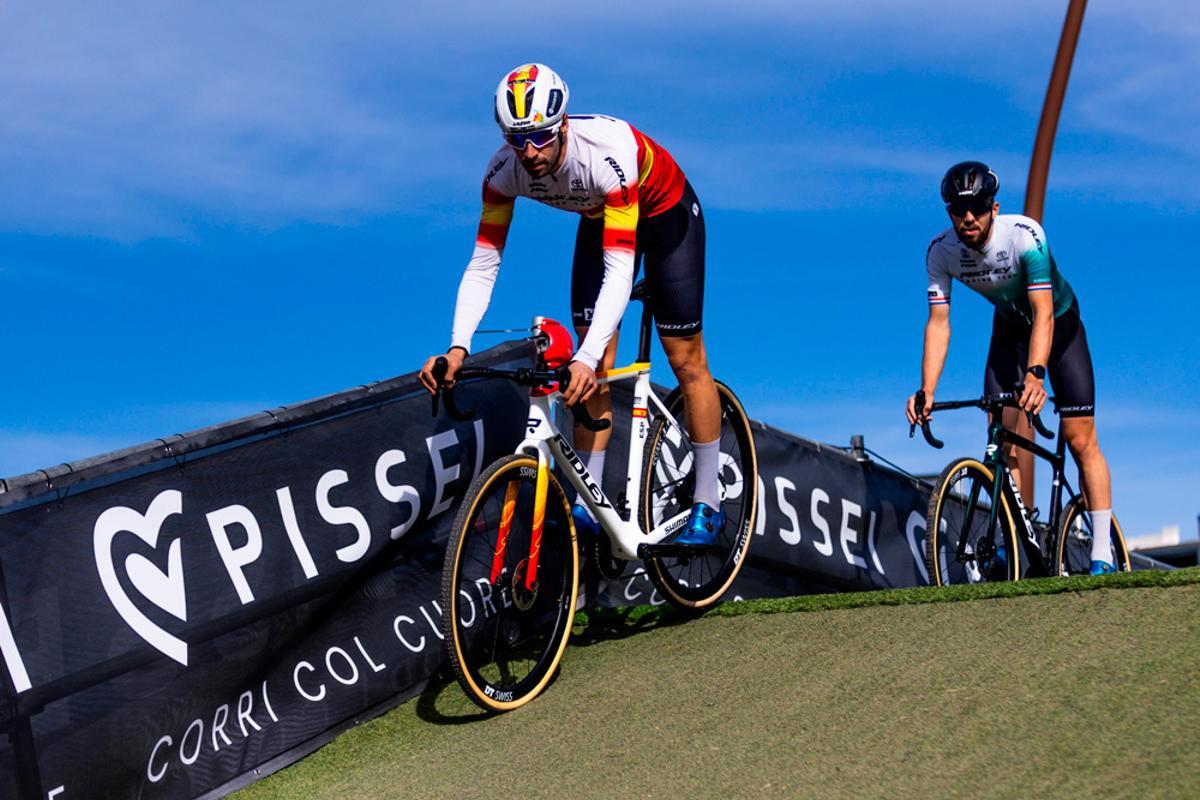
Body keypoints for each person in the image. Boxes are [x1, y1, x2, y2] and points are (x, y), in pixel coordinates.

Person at [419, 63, 723, 547]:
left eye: (539, 136)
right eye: (517, 140)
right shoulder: (502, 173)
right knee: (594, 365)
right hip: (603, 216)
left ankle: (709, 500)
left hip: (665, 217)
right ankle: (590, 503)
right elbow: (483, 263)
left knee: (684, 357)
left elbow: (620, 270)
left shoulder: (605, 155)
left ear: (561, 124)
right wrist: (457, 346)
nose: (530, 152)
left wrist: (582, 356)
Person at [905, 161, 1117, 574]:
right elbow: (939, 323)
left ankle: (1103, 552)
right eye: (958, 209)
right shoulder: (941, 252)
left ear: (994, 207)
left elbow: (1043, 312)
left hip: (1059, 325)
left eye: (978, 207)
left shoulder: (1025, 237)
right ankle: (1013, 542)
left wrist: (1037, 375)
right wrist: (926, 389)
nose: (968, 217)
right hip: (1009, 329)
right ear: (949, 211)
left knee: (1078, 438)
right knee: (1000, 436)